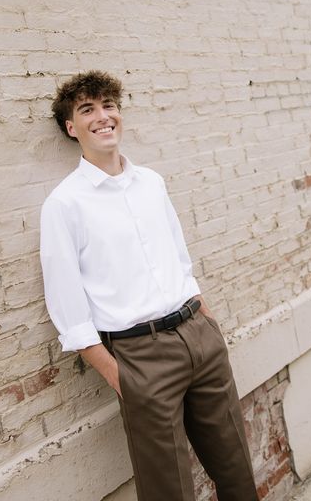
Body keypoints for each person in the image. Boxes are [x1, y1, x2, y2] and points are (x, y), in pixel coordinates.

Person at [39, 70, 259, 501]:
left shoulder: (152, 183)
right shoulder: (64, 204)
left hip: (199, 334)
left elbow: (178, 257)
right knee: (168, 488)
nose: (102, 117)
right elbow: (68, 307)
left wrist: (205, 317)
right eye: (87, 109)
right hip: (140, 355)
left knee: (235, 468)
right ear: (71, 127)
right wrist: (119, 374)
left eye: (109, 106)